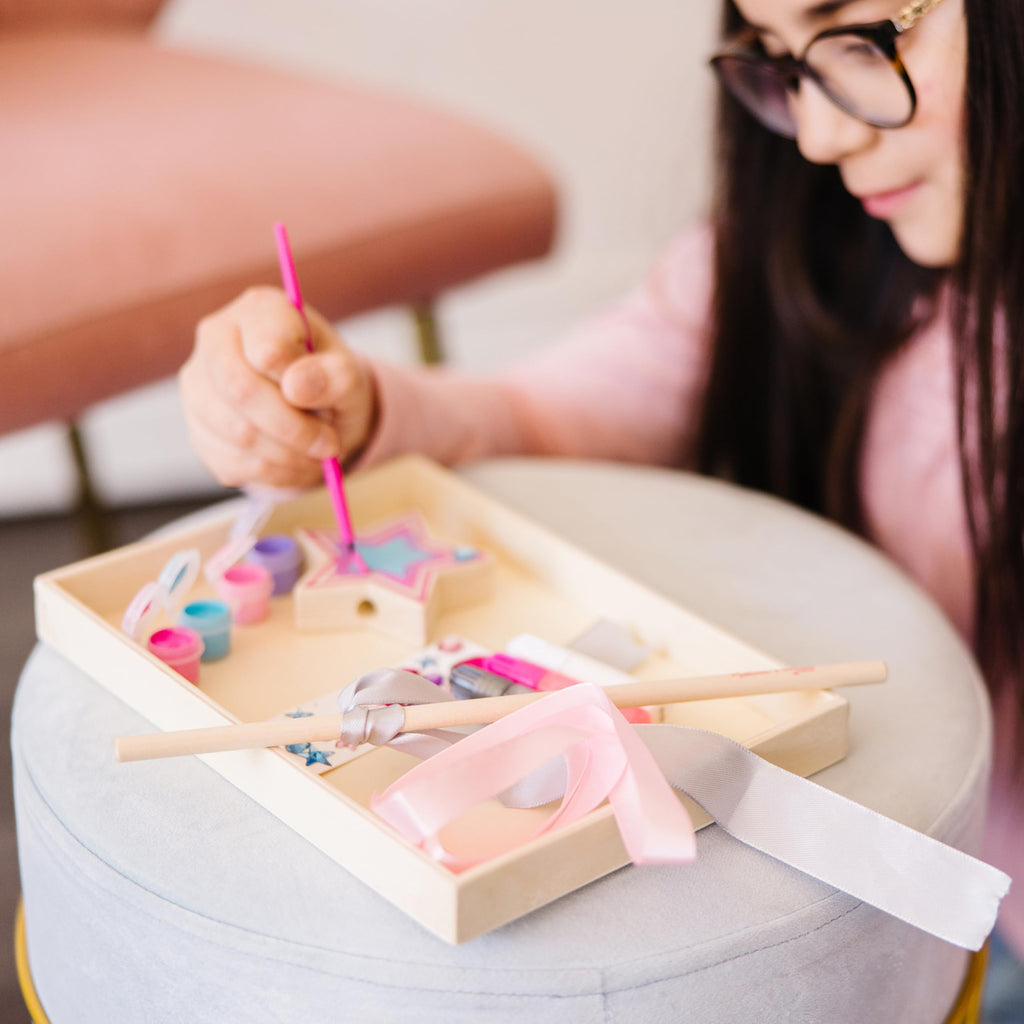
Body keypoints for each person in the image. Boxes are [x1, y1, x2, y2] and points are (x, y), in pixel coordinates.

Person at [179, 0, 1024, 1016]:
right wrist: (350, 411)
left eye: (861, 34)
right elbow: (548, 410)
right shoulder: (798, 250)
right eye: (779, 62)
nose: (817, 133)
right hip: (891, 894)